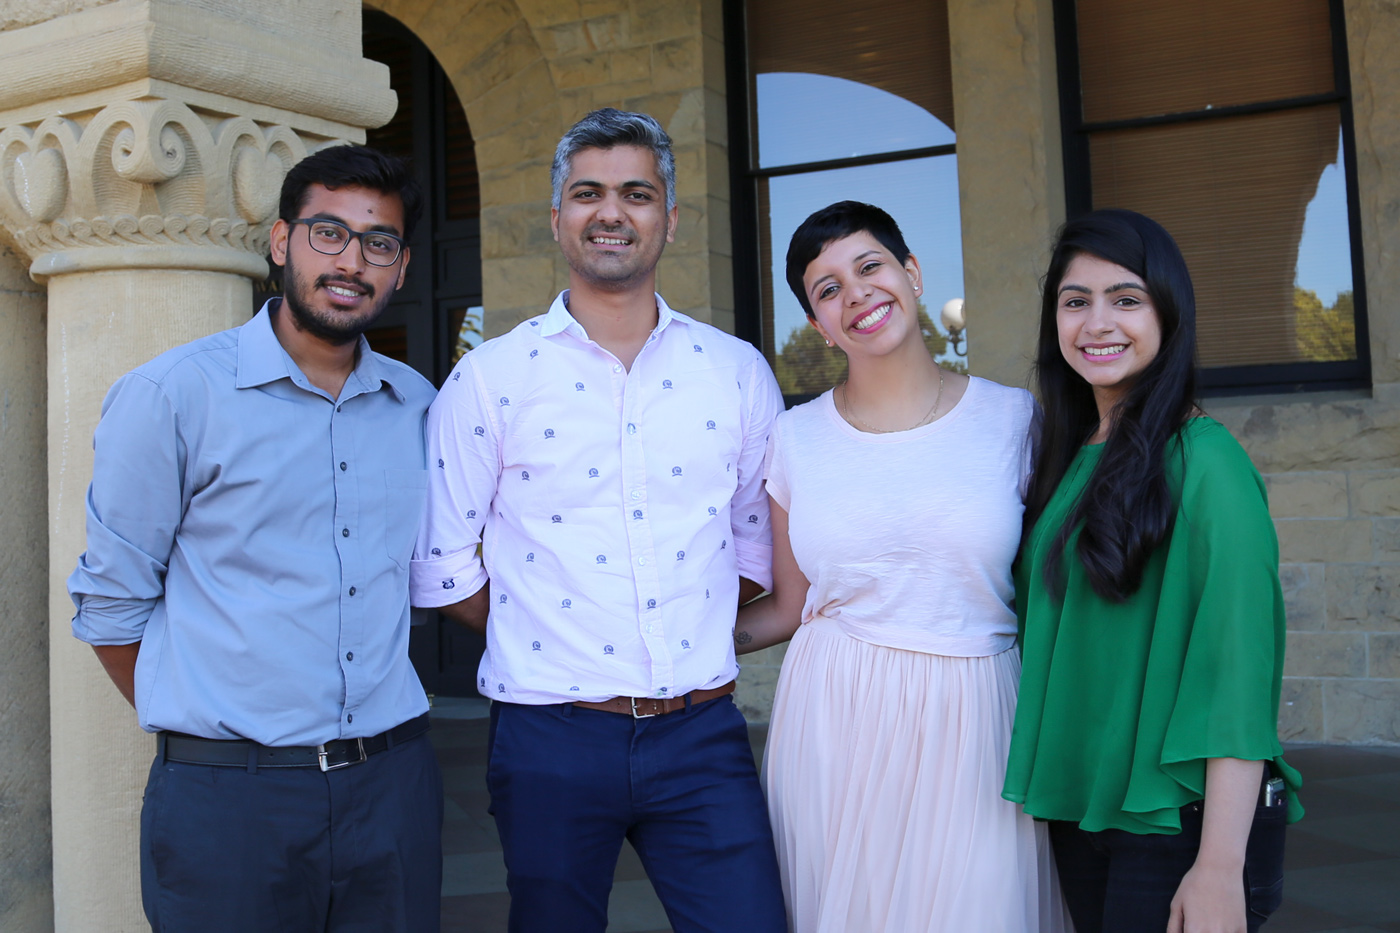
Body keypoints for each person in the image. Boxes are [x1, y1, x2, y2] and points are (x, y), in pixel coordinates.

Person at [410, 108, 787, 933]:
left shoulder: (736, 372)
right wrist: (547, 631)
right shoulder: (488, 378)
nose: (611, 212)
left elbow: (751, 548)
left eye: (636, 194)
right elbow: (445, 566)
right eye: (588, 193)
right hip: (550, 739)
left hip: (703, 736)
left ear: (669, 220)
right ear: (557, 218)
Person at [68, 144, 442, 932]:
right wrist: (215, 723)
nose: (351, 261)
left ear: (401, 267)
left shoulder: (419, 405)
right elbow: (110, 607)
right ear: (281, 242)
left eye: (378, 243)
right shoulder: (173, 395)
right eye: (328, 233)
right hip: (228, 802)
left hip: (392, 788)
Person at [733, 200, 1071, 932]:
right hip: (832, 720)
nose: (855, 294)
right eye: (827, 290)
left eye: (870, 266)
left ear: (912, 274)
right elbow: (789, 607)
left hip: (977, 714)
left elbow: (1053, 589)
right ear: (819, 326)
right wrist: (675, 638)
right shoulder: (794, 439)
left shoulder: (1017, 421)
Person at [1003, 208, 1302, 933]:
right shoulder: (1072, 456)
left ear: (1169, 312)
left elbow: (1235, 675)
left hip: (1182, 824)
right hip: (1086, 808)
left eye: (1126, 299)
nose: (1097, 322)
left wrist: (1220, 865)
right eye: (1076, 302)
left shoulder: (1208, 463)